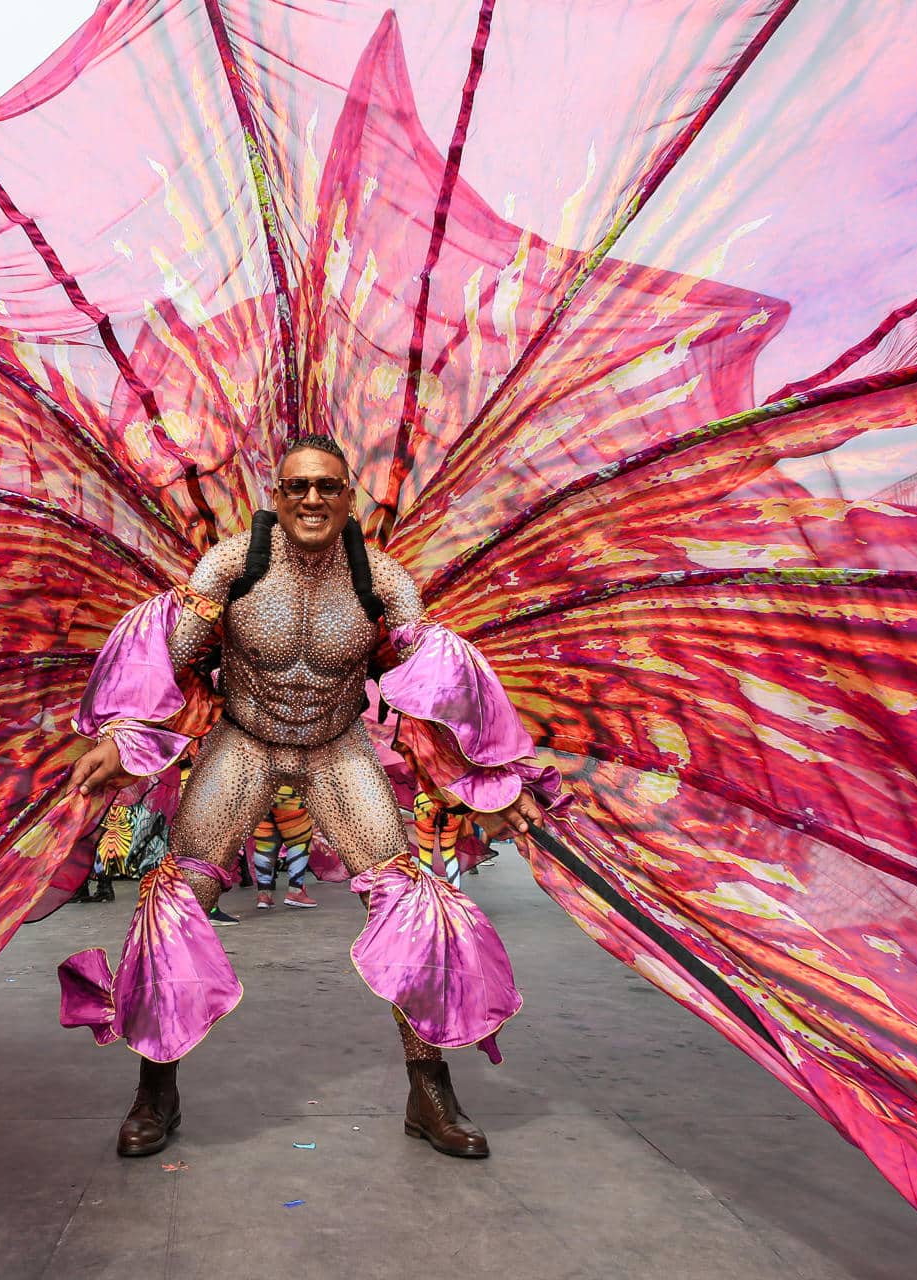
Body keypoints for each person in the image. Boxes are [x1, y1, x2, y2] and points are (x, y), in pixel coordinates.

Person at [58, 434, 554, 1160]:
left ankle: (430, 1092)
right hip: (245, 742)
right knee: (178, 897)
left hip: (335, 747)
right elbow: (169, 659)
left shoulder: (382, 580)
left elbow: (432, 685)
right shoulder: (231, 565)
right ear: (278, 496)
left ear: (349, 496)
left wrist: (492, 781)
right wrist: (120, 735)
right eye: (298, 486)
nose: (312, 499)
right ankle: (155, 1089)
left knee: (407, 898)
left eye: (327, 486)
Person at [250, 785, 319, 909]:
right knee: (299, 841)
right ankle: (295, 891)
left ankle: (264, 895)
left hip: (259, 791)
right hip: (289, 792)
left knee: (265, 845)